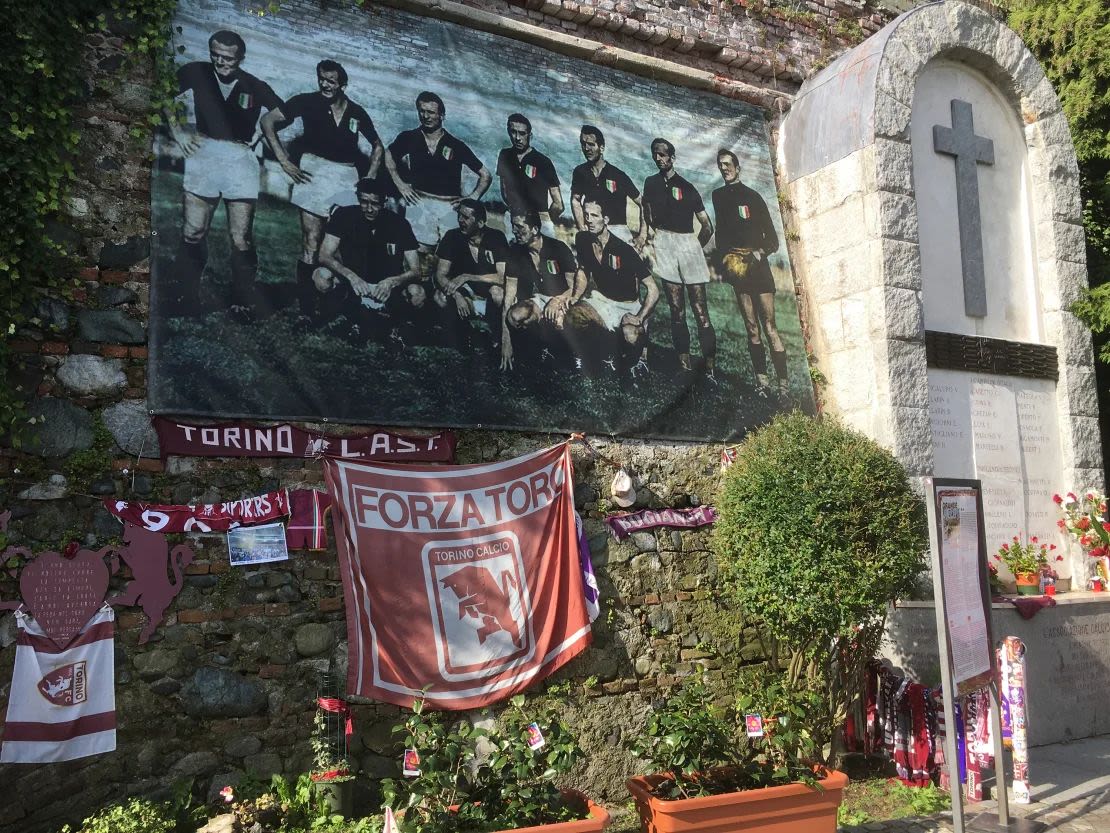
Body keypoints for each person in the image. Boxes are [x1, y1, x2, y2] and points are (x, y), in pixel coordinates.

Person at [260, 59, 397, 323]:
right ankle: (307, 311)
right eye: (321, 78)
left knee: (345, 243)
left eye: (331, 81)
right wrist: (284, 161)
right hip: (314, 172)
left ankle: (348, 306)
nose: (325, 84)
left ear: (342, 85)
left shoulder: (357, 112)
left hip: (346, 177)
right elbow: (268, 122)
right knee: (311, 240)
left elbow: (378, 146)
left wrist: (368, 178)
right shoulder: (305, 101)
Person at [166, 29, 283, 318]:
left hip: (239, 157)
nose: (221, 62)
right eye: (215, 55)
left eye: (228, 58)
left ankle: (241, 299)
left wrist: (261, 131)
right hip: (203, 151)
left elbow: (282, 111)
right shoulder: (196, 72)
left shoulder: (253, 84)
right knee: (193, 231)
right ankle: (186, 296)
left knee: (240, 236)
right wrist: (178, 130)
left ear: (240, 58)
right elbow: (163, 94)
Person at [712, 148, 790, 401]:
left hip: (759, 268)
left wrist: (757, 254)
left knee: (770, 327)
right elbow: (722, 234)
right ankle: (762, 383)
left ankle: (784, 386)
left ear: (738, 167)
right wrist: (725, 259)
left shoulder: (754, 198)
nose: (724, 168)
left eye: (728, 164)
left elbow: (774, 241)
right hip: (738, 269)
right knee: (752, 328)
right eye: (720, 164)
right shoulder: (718, 196)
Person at [312, 178, 423, 342]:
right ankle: (332, 316)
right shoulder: (344, 215)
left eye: (375, 203)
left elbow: (416, 270)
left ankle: (396, 328)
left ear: (384, 202)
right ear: (358, 198)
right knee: (321, 276)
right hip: (353, 284)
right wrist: (351, 276)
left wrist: (392, 282)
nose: (369, 209)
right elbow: (324, 255)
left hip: (384, 288)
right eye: (364, 202)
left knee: (417, 293)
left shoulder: (399, 224)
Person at [641, 138, 717, 378]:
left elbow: (707, 226)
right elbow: (647, 213)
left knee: (700, 309)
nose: (658, 158)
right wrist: (657, 237)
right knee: (677, 310)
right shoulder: (650, 183)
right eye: (655, 154)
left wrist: (694, 248)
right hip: (665, 242)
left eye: (663, 155)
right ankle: (684, 366)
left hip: (687, 243)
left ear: (672, 157)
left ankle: (710, 369)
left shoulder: (687, 186)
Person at [388, 91, 492, 249]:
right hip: (419, 201)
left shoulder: (456, 145)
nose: (426, 116)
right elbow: (387, 155)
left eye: (431, 112)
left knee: (447, 255)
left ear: (442, 115)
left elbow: (485, 175)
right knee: (418, 252)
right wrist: (400, 184)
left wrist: (472, 197)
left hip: (449, 207)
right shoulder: (409, 137)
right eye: (422, 111)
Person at [574, 200, 659, 376]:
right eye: (586, 214)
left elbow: (653, 289)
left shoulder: (624, 250)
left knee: (630, 335)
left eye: (594, 216)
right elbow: (583, 270)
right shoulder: (582, 239)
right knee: (572, 314)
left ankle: (636, 360)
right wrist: (574, 297)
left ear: (605, 219)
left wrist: (640, 317)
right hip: (604, 300)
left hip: (627, 305)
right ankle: (588, 356)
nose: (589, 220)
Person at [433, 199, 514, 369]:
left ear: (481, 222)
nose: (461, 220)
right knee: (440, 297)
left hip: (488, 289)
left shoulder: (496, 237)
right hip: (465, 291)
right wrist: (456, 295)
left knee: (498, 293)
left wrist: (468, 276)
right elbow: (440, 275)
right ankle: (461, 338)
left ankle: (496, 339)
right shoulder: (452, 236)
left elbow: (502, 277)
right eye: (459, 216)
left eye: (466, 217)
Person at [505, 210, 585, 367]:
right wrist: (505, 340)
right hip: (542, 298)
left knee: (561, 322)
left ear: (535, 230)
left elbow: (574, 288)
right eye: (513, 226)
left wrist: (557, 300)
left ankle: (575, 354)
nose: (515, 231)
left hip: (565, 298)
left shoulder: (558, 248)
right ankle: (539, 347)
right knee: (515, 316)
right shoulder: (516, 252)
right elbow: (509, 295)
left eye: (520, 227)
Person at [570, 125, 646, 249]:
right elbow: (575, 200)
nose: (586, 148)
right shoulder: (580, 172)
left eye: (591, 144)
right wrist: (582, 228)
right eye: (583, 144)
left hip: (618, 232)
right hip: (592, 231)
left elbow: (642, 202)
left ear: (601, 147)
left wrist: (642, 235)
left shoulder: (618, 175)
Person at [496, 114, 563, 236]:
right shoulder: (505, 155)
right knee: (513, 253)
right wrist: (516, 211)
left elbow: (558, 204)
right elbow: (505, 191)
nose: (517, 138)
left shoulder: (543, 162)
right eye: (513, 132)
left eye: (522, 133)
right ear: (508, 132)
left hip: (540, 222)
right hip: (514, 219)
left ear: (529, 135)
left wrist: (543, 220)